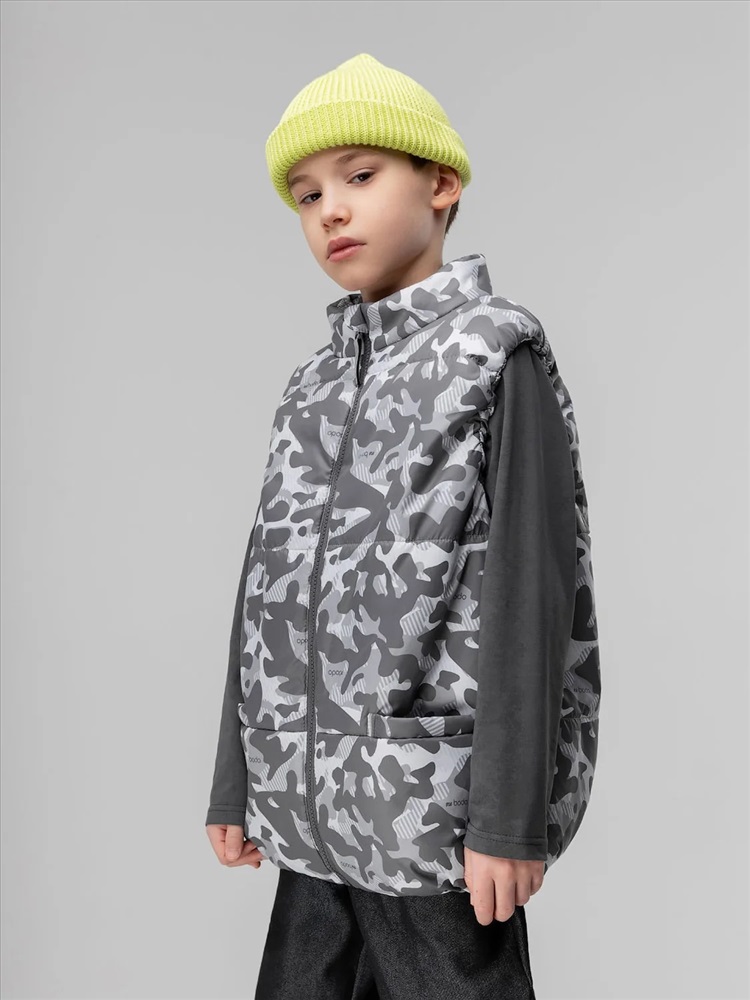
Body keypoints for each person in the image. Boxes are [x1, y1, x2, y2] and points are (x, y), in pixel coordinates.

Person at [205, 52, 601, 1000]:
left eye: (360, 176)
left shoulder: (494, 354)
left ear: (441, 183)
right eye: (307, 195)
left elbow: (533, 597)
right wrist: (236, 775)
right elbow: (268, 586)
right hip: (311, 819)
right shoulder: (311, 386)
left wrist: (510, 818)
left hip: (430, 815)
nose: (329, 211)